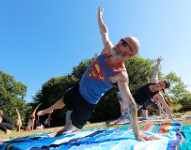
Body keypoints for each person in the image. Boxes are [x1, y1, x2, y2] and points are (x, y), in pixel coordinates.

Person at [37, 7, 159, 141]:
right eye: (121, 39)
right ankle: (51, 108)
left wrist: (137, 134)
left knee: (72, 125)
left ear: (130, 53)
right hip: (79, 87)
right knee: (63, 100)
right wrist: (99, 19)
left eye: (124, 43)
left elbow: (130, 104)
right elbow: (104, 32)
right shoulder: (108, 49)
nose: (119, 43)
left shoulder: (120, 75)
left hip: (88, 101)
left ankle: (61, 130)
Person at [113, 57, 174, 124]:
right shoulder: (154, 82)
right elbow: (155, 72)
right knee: (120, 94)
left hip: (137, 103)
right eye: (160, 83)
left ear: (163, 88)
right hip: (132, 96)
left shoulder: (158, 94)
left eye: (161, 85)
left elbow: (166, 106)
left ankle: (118, 122)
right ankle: (121, 117)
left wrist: (172, 118)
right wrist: (158, 63)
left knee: (126, 114)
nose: (159, 85)